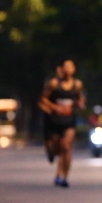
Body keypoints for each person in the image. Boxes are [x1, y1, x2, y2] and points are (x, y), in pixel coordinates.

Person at [39, 58, 86, 187]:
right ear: (62, 69)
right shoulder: (54, 84)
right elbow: (43, 99)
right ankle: (51, 153)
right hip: (54, 121)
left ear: (74, 69)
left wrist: (80, 104)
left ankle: (64, 176)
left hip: (69, 120)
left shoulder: (77, 84)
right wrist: (54, 107)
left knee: (66, 146)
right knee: (56, 149)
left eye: (70, 67)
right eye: (65, 67)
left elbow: (80, 98)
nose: (68, 69)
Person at [39, 62, 64, 164]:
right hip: (50, 117)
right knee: (49, 139)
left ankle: (59, 153)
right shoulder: (52, 84)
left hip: (62, 118)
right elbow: (42, 100)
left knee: (60, 140)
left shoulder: (70, 85)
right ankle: (50, 151)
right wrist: (51, 109)